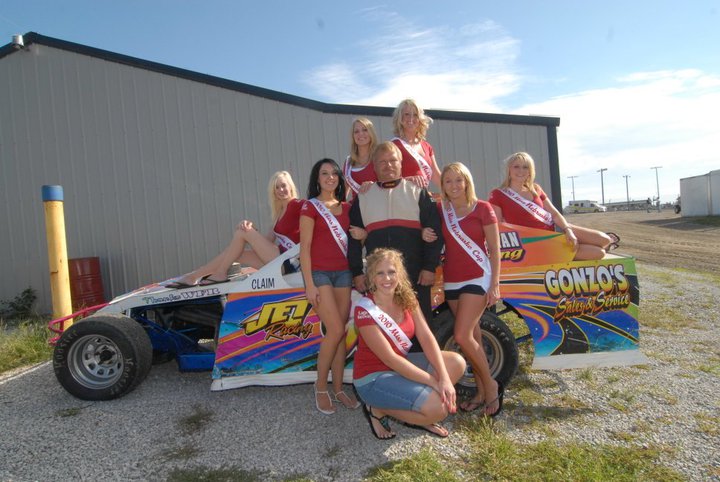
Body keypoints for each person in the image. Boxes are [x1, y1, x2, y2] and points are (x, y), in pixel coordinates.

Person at [353, 248, 465, 439]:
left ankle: (418, 407)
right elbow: (391, 359)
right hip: (373, 377)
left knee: (456, 362)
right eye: (380, 273)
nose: (387, 278)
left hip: (400, 367)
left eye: (391, 272)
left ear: (399, 274)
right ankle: (378, 409)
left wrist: (445, 379)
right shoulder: (365, 310)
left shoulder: (407, 299)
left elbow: (426, 337)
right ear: (371, 277)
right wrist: (434, 383)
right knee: (439, 409)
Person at [425, 163, 504, 416]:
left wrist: (494, 284)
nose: (454, 185)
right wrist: (425, 232)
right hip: (452, 280)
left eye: (458, 180)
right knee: (474, 338)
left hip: (478, 277)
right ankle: (480, 392)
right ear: (443, 185)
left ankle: (491, 387)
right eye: (448, 181)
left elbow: (495, 249)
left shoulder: (483, 208)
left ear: (467, 182)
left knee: (461, 335)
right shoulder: (441, 210)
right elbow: (425, 225)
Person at [348, 141, 443, 330]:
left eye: (393, 161)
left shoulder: (417, 192)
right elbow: (353, 240)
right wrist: (357, 273)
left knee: (420, 326)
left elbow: (435, 233)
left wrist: (429, 267)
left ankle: (422, 351)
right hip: (378, 277)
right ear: (374, 166)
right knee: (384, 328)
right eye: (382, 162)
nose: (388, 165)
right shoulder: (363, 197)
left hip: (415, 274)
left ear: (401, 163)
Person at [166, 171, 302, 288]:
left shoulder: (297, 205)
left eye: (283, 185)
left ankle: (219, 273)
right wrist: (252, 231)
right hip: (278, 260)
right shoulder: (279, 213)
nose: (281, 190)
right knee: (237, 253)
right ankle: (194, 276)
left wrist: (248, 233)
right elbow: (267, 242)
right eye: (277, 187)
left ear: (290, 186)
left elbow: (314, 210)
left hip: (289, 262)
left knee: (243, 232)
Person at [300, 158, 361, 414]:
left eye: (334, 173)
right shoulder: (310, 206)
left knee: (340, 334)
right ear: (317, 178)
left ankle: (338, 388)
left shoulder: (347, 208)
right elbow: (304, 248)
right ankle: (320, 387)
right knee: (335, 330)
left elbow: (357, 237)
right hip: (320, 275)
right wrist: (309, 285)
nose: (330, 177)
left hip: (344, 275)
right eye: (324, 173)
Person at [488, 152, 615, 260]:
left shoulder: (536, 189)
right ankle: (560, 256)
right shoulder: (498, 194)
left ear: (530, 171)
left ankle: (567, 250)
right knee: (599, 253)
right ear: (509, 170)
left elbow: (554, 214)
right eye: (516, 167)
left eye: (525, 167)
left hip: (555, 228)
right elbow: (498, 226)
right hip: (538, 241)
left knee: (604, 240)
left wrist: (568, 230)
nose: (521, 171)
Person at [391, 99, 442, 189]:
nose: (411, 119)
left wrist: (451, 189)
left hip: (422, 195)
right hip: (403, 195)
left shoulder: (427, 146)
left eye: (415, 115)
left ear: (420, 119)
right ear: (400, 118)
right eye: (407, 114)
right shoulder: (393, 146)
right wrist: (408, 180)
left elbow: (436, 175)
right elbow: (389, 178)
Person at [343, 117, 378, 199]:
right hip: (356, 206)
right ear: (353, 136)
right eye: (356, 131)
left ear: (371, 133)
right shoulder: (348, 162)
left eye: (365, 130)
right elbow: (343, 192)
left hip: (378, 204)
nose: (361, 134)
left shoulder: (379, 157)